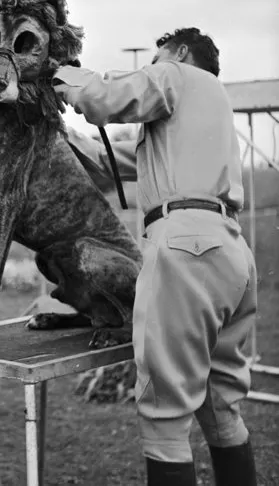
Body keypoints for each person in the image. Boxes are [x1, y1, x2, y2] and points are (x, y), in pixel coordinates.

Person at [53, 27, 257, 486]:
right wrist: (63, 133)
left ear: (181, 53)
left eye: (157, 58)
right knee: (221, 404)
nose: (152, 67)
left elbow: (106, 98)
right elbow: (111, 160)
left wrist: (59, 74)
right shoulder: (205, 110)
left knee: (166, 414)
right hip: (230, 251)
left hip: (186, 246)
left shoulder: (177, 75)